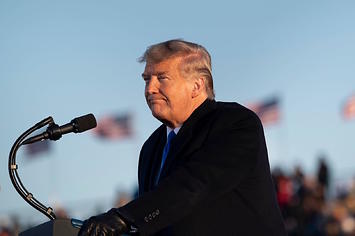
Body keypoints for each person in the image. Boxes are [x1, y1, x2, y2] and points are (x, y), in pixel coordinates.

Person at [78, 39, 286, 235]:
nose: (150, 88)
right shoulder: (151, 147)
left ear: (196, 85)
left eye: (162, 78)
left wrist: (124, 218)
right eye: (146, 79)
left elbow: (192, 185)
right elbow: (155, 222)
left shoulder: (235, 123)